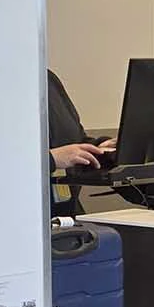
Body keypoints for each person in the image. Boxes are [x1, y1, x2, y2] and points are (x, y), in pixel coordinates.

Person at [47, 69, 115, 217]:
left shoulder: (47, 79)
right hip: (25, 220)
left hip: (65, 213)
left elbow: (74, 139)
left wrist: (99, 148)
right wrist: (50, 159)